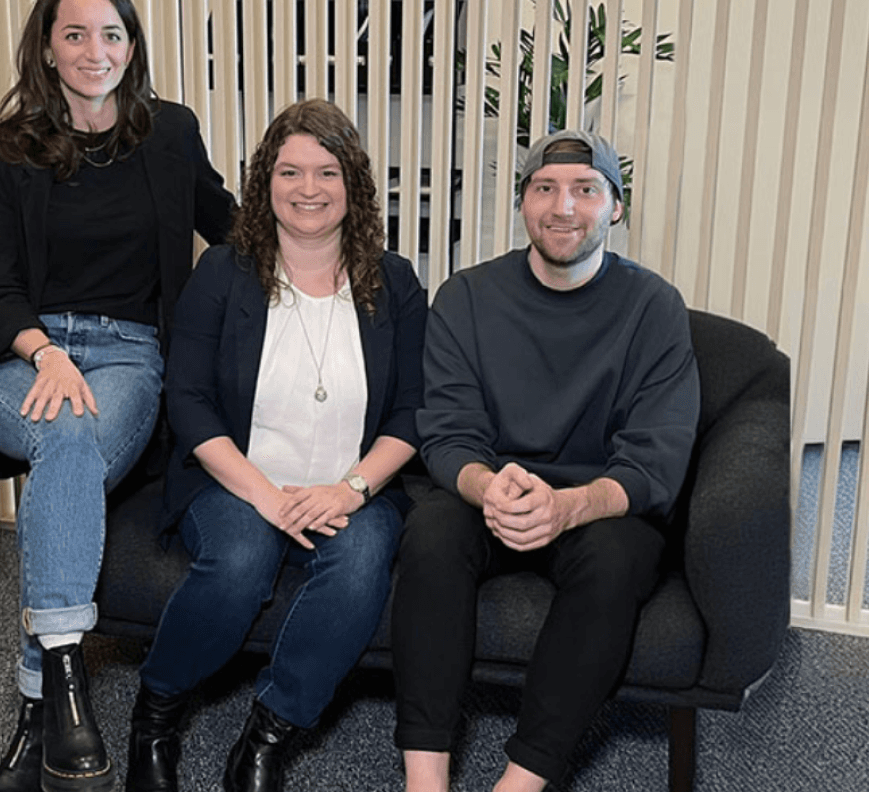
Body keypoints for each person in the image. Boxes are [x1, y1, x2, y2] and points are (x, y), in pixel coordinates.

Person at [0, 0, 234, 792]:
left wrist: (335, 240)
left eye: (111, 33)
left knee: (68, 446)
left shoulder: (171, 134)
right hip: (24, 362)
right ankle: (69, 680)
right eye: (74, 34)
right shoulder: (4, 152)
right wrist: (45, 352)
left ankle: (40, 708)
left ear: (132, 46)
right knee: (64, 435)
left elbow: (231, 226)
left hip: (129, 359)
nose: (94, 50)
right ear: (47, 46)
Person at [123, 98, 427, 792]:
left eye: (326, 171)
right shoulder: (226, 274)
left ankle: (267, 736)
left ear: (354, 185)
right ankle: (157, 716)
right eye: (290, 171)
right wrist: (265, 494)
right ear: (265, 183)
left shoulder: (395, 282)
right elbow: (189, 400)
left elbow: (414, 411)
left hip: (352, 483)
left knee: (360, 563)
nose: (308, 189)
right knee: (239, 560)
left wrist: (349, 490)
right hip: (234, 478)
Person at [391, 130, 701, 792]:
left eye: (586, 189)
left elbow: (657, 458)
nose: (563, 207)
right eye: (545, 188)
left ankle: (524, 779)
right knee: (431, 533)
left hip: (595, 504)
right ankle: (424, 779)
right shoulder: (467, 297)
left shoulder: (654, 308)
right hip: (492, 493)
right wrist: (486, 486)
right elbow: (447, 433)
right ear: (523, 202)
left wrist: (569, 506)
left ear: (615, 207)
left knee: (620, 557)